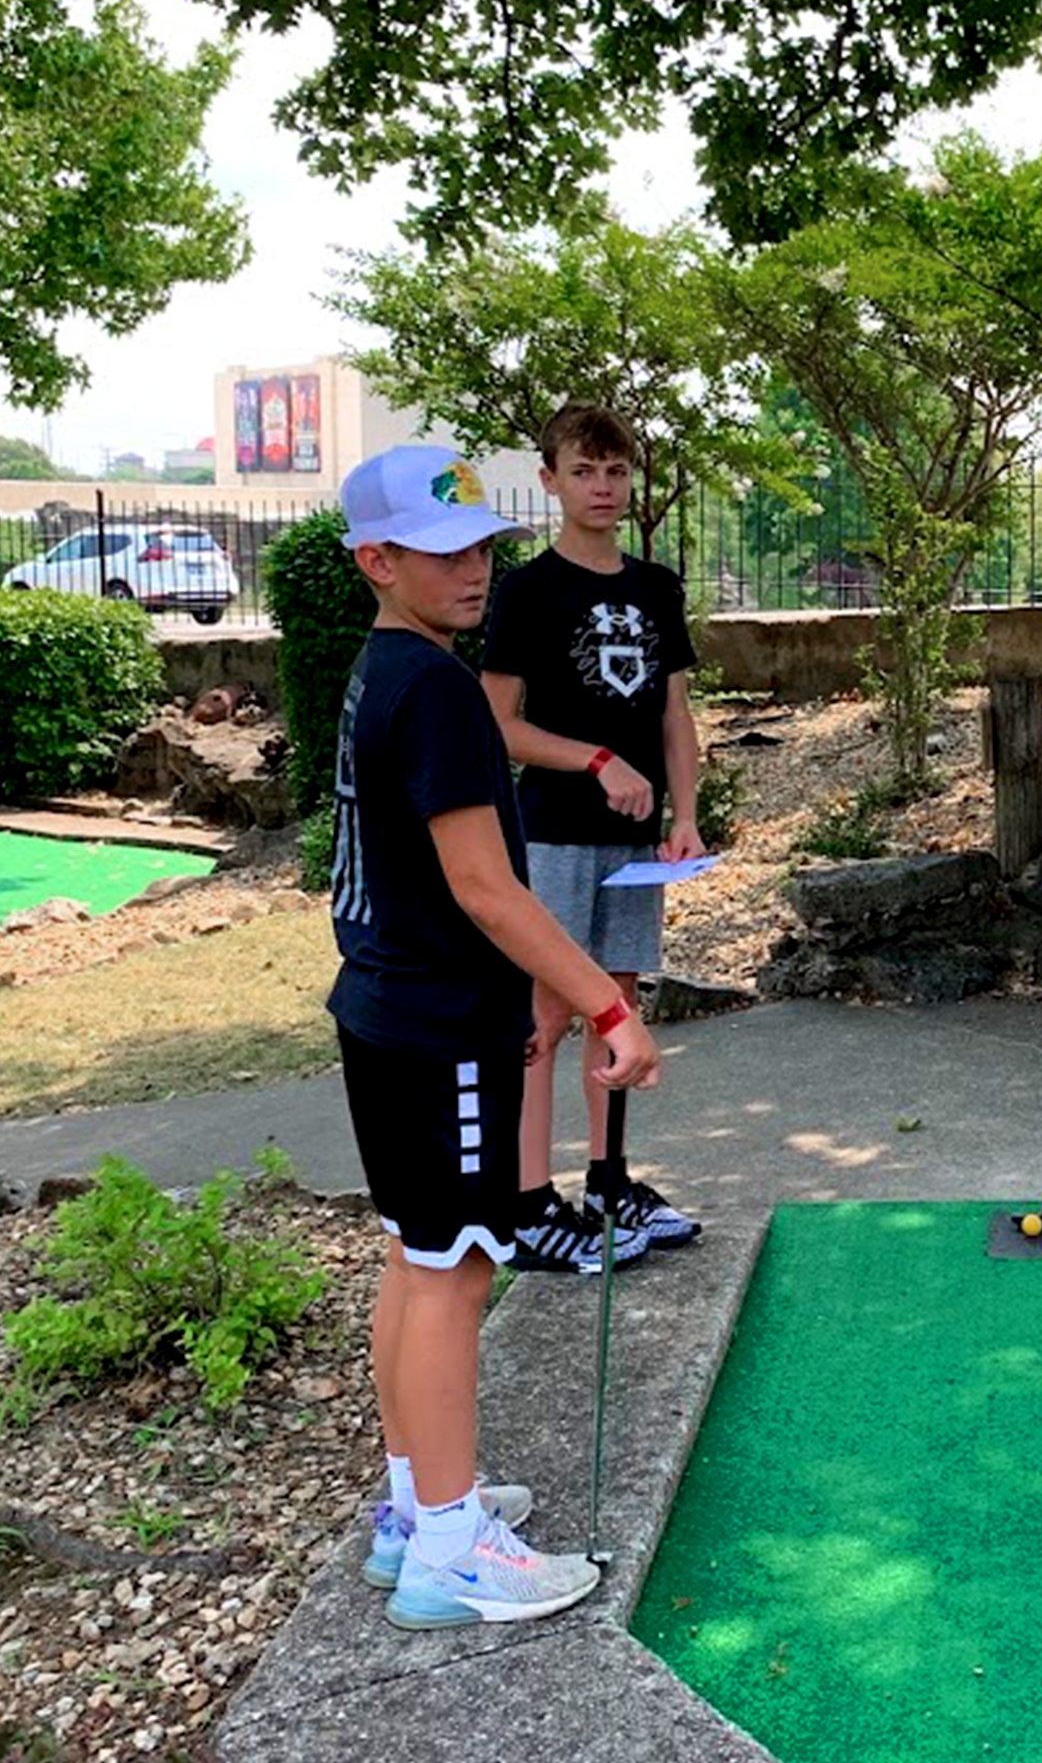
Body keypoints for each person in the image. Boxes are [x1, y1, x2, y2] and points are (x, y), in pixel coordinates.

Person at [327, 442, 664, 1630]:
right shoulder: (440, 694)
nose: (471, 568)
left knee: (415, 1257)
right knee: (456, 1270)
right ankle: (453, 1551)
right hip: (441, 1024)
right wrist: (608, 1004)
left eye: (478, 544)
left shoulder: (385, 670)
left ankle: (420, 1508)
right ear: (377, 559)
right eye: (440, 550)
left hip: (382, 1011)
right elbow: (487, 886)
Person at [481, 402, 706, 1269]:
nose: (603, 488)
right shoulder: (528, 591)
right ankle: (531, 1203)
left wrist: (682, 816)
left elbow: (676, 714)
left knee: (617, 1004)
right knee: (546, 1012)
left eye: (616, 472)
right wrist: (599, 758)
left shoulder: (655, 587)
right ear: (551, 482)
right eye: (584, 472)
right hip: (556, 837)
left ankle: (608, 1185)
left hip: (636, 844)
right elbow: (499, 726)